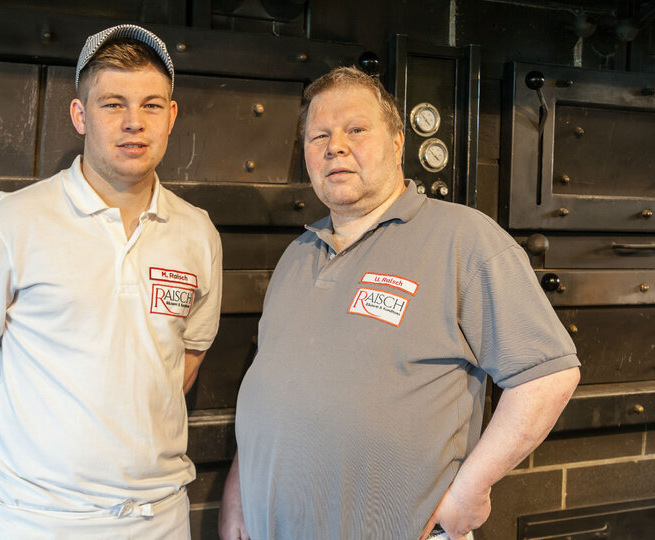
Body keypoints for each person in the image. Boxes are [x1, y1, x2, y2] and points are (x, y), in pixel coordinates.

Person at [218, 67, 580, 540]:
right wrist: (237, 498)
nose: (335, 147)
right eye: (319, 136)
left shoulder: (462, 238)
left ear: (395, 143)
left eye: (356, 129)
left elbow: (548, 375)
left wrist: (471, 488)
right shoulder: (297, 256)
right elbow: (272, 392)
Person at [0, 24, 222, 538]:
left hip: (159, 518)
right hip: (33, 520)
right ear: (80, 114)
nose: (134, 122)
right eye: (113, 104)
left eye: (152, 105)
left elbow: (187, 355)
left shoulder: (197, 232)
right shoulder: (10, 225)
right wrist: (17, 468)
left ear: (171, 117)